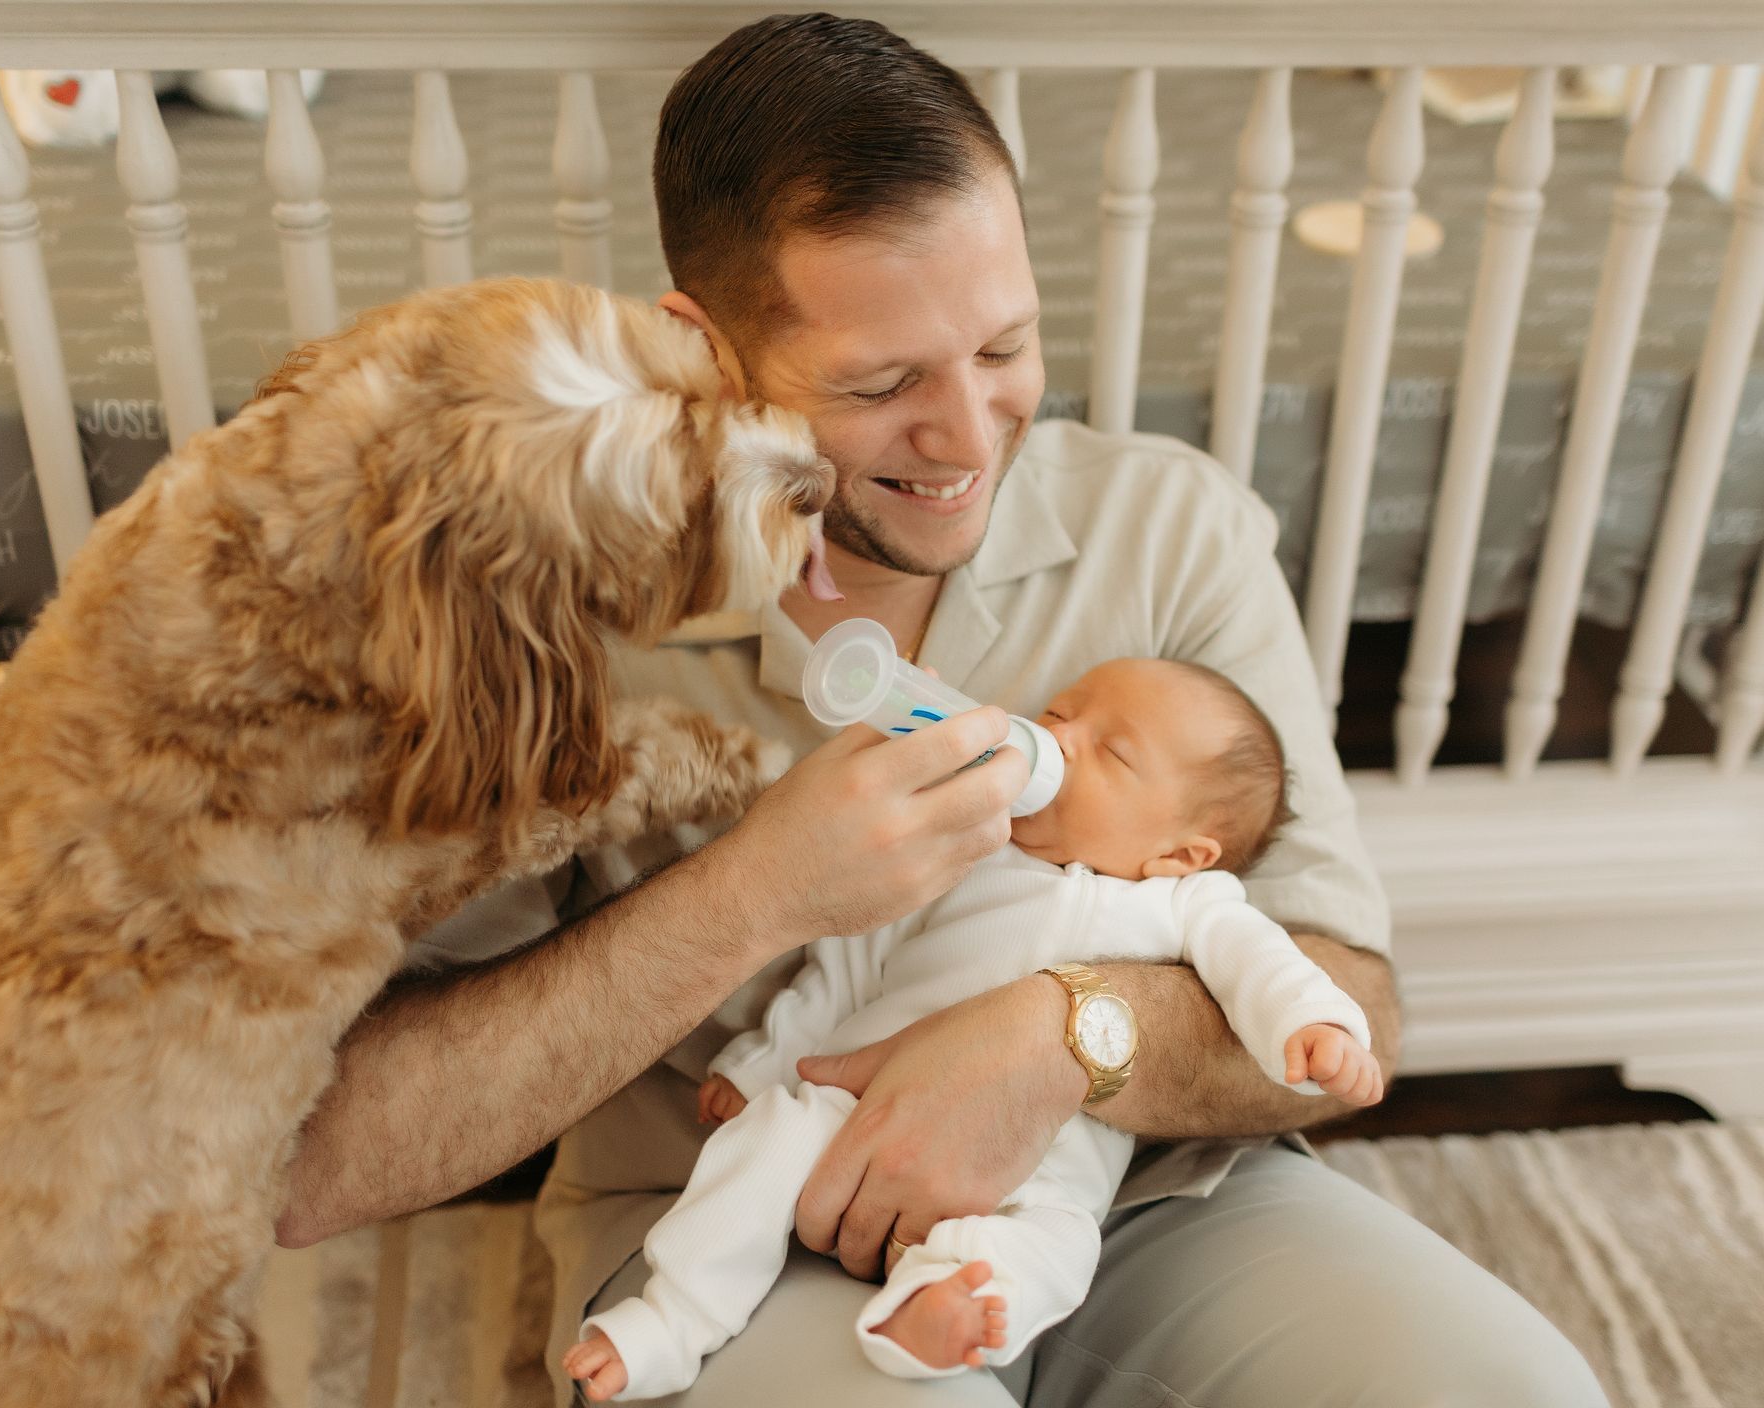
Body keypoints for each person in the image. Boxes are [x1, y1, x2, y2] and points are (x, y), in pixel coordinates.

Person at [276, 14, 1608, 1406]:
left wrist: (1065, 1038)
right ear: (708, 357)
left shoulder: (1168, 534)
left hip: (1144, 1195)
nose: (969, 441)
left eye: (1004, 348)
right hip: (738, 1228)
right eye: (882, 383)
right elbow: (320, 1154)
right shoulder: (542, 621)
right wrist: (753, 895)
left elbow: (1357, 1015)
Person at [563, 658, 1383, 1401]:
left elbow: (1263, 969)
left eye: (1112, 752)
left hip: (1050, 1168)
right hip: (860, 1109)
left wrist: (1312, 1026)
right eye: (1062, 713)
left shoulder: (1185, 905)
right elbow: (847, 963)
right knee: (766, 1145)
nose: (1060, 738)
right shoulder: (968, 852)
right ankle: (675, 1318)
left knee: (1054, 1249)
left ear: (1181, 853)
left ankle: (940, 1308)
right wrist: (761, 1065)